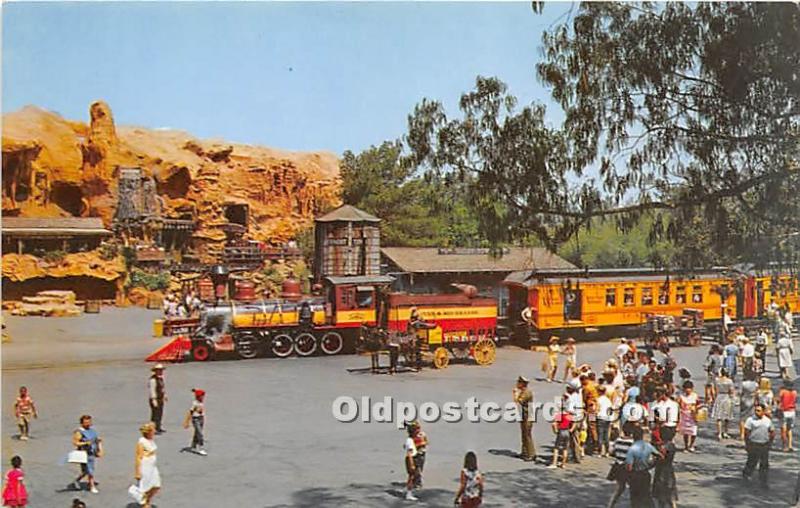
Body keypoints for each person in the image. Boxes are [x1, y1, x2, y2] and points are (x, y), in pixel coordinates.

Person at [625, 426, 658, 508]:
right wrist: (651, 464)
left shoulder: (632, 448)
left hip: (634, 475)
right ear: (642, 436)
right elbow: (660, 456)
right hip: (645, 473)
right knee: (646, 495)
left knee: (634, 497)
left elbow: (629, 466)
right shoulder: (648, 446)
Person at [743, 404, 775, 486]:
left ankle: (763, 481)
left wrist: (769, 443)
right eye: (756, 410)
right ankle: (747, 476)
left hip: (764, 445)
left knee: (764, 464)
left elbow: (772, 432)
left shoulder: (768, 421)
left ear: (763, 412)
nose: (757, 412)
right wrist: (747, 444)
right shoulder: (750, 420)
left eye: (759, 411)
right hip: (753, 443)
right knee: (751, 461)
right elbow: (746, 432)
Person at [72, 415, 102, 494]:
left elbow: (97, 440)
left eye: (89, 422)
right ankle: (92, 486)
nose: (88, 424)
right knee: (89, 470)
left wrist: (99, 450)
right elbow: (75, 442)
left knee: (86, 471)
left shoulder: (92, 431)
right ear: (82, 423)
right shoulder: (79, 432)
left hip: (92, 452)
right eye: (86, 422)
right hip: (84, 453)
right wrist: (85, 443)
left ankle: (77, 480)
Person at [607, 422, 635, 508]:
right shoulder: (632, 442)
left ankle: (610, 505)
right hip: (628, 466)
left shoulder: (618, 440)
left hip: (618, 465)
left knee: (619, 488)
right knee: (633, 488)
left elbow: (611, 451)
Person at [134, 423, 161, 508]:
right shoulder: (141, 442)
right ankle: (144, 504)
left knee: (156, 485)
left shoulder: (151, 440)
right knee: (146, 486)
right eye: (153, 430)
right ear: (148, 431)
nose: (155, 431)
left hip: (153, 466)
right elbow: (138, 457)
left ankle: (146, 500)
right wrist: (138, 472)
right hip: (145, 466)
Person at [651, 428, 678, 508]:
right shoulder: (672, 446)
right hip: (669, 470)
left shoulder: (661, 447)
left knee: (660, 496)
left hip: (660, 472)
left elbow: (658, 460)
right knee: (671, 494)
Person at [549, 396, 575, 469]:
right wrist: (571, 429)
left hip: (561, 431)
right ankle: (563, 464)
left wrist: (555, 431)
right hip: (567, 431)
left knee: (556, 448)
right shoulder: (568, 415)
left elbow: (554, 424)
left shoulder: (559, 415)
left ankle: (554, 463)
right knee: (565, 448)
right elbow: (574, 423)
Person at [513, 376, 535, 461]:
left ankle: (531, 454)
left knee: (527, 435)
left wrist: (515, 394)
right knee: (524, 435)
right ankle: (525, 453)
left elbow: (518, 401)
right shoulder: (523, 391)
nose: (517, 384)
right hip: (524, 415)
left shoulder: (526, 392)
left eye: (519, 382)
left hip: (528, 416)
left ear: (522, 384)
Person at [712, 369, 735, 440]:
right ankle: (725, 432)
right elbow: (731, 391)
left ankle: (719, 433)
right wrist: (733, 399)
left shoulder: (717, 380)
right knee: (727, 416)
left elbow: (713, 389)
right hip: (727, 397)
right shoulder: (729, 381)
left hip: (719, 397)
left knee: (719, 416)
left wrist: (714, 397)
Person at [183, 388, 207, 455]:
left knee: (197, 432)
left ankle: (193, 445)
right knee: (200, 433)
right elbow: (190, 412)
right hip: (196, 419)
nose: (203, 397)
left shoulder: (201, 402)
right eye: (202, 396)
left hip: (201, 418)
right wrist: (186, 422)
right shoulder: (195, 403)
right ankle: (201, 447)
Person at [677, 381, 698, 452]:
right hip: (684, 416)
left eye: (689, 388)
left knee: (693, 431)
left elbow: (698, 404)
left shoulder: (695, 396)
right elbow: (678, 405)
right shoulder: (681, 396)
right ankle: (686, 446)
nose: (688, 390)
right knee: (685, 432)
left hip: (693, 416)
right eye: (686, 389)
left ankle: (691, 445)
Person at [738, 373, 758, 443]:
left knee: (742, 418)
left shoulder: (744, 384)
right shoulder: (756, 384)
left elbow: (740, 392)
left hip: (744, 400)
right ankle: (750, 433)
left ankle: (742, 435)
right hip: (751, 400)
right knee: (751, 417)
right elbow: (756, 393)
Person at [778, 380, 797, 452]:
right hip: (792, 411)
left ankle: (784, 446)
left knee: (783, 429)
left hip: (784, 411)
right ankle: (790, 445)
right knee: (789, 429)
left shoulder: (782, 392)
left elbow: (778, 400)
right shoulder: (794, 392)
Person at [148, 364, 167, 434]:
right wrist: (154, 399)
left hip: (160, 398)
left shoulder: (160, 379)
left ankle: (158, 427)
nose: (161, 371)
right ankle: (152, 429)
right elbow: (152, 390)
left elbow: (162, 388)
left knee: (160, 413)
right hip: (155, 399)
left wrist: (164, 395)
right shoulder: (153, 380)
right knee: (155, 414)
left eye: (161, 370)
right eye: (159, 370)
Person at [403, 422, 419, 501]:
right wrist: (412, 464)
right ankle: (409, 494)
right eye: (416, 430)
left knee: (413, 476)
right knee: (411, 477)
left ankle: (409, 491)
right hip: (411, 459)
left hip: (412, 458)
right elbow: (409, 453)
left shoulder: (409, 440)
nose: (418, 432)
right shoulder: (409, 441)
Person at [596, 386, 614, 457]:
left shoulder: (598, 399)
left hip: (600, 418)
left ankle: (600, 452)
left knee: (600, 435)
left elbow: (596, 409)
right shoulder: (608, 400)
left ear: (600, 392)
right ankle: (607, 452)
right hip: (608, 419)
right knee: (606, 436)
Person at [411, 421, 428, 489]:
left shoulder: (422, 434)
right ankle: (417, 482)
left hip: (422, 454)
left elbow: (426, 442)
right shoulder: (412, 436)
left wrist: (421, 444)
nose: (418, 430)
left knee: (420, 468)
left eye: (418, 428)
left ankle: (417, 482)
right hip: (415, 455)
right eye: (416, 429)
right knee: (416, 469)